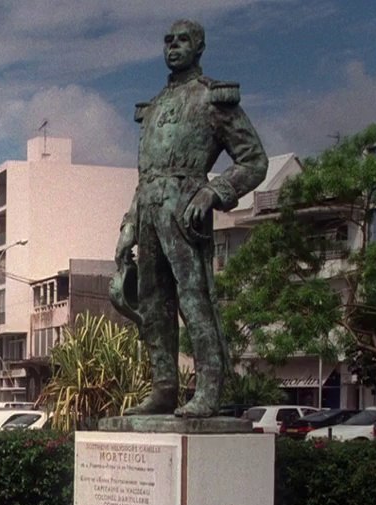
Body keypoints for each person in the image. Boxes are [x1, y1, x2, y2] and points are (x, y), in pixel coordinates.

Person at [113, 19, 268, 418]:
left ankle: (209, 388)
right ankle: (164, 388)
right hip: (148, 211)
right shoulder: (154, 107)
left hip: (186, 211)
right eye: (168, 41)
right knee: (152, 304)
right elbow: (144, 178)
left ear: (199, 48)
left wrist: (214, 192)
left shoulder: (214, 99)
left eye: (183, 41)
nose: (173, 47)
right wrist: (128, 226)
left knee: (193, 299)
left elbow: (253, 161)